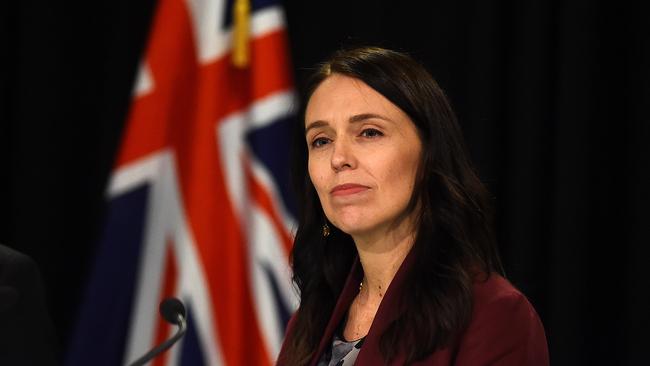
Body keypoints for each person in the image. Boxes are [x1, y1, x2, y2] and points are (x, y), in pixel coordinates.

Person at [276, 46, 549, 366]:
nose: (339, 159)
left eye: (369, 132)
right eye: (321, 140)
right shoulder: (309, 321)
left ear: (428, 154)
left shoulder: (494, 316)